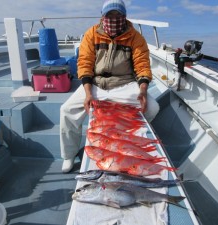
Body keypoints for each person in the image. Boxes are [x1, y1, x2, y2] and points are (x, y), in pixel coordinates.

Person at [60, 0, 160, 173]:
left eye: (118, 15)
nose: (114, 19)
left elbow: (142, 65)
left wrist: (143, 90)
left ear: (124, 17)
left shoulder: (136, 38)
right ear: (103, 16)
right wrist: (88, 92)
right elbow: (84, 63)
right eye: (110, 15)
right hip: (96, 84)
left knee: (152, 107)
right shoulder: (91, 34)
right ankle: (69, 155)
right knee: (67, 111)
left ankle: (127, 141)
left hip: (124, 84)